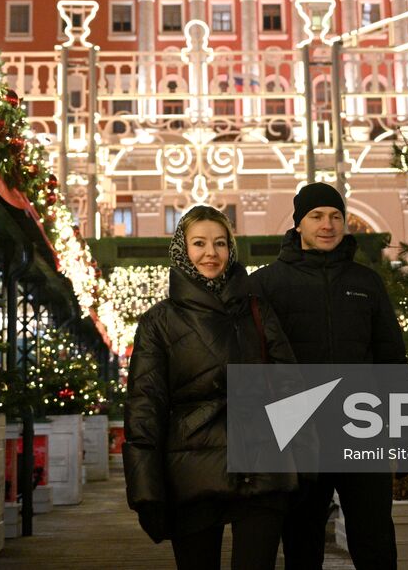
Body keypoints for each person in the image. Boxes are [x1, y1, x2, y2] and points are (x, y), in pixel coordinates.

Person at [124, 205, 298, 570]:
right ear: (181, 250)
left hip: (260, 465)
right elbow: (145, 405)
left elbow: (290, 386)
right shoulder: (160, 321)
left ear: (231, 249)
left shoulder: (256, 310)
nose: (211, 253)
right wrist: (145, 488)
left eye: (220, 243)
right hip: (192, 472)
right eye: (199, 243)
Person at [249, 182, 406, 570]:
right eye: (316, 216)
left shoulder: (366, 283)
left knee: (375, 541)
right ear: (298, 223)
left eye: (336, 216)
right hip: (299, 435)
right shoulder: (265, 285)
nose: (328, 224)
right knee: (302, 543)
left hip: (361, 429)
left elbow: (391, 358)